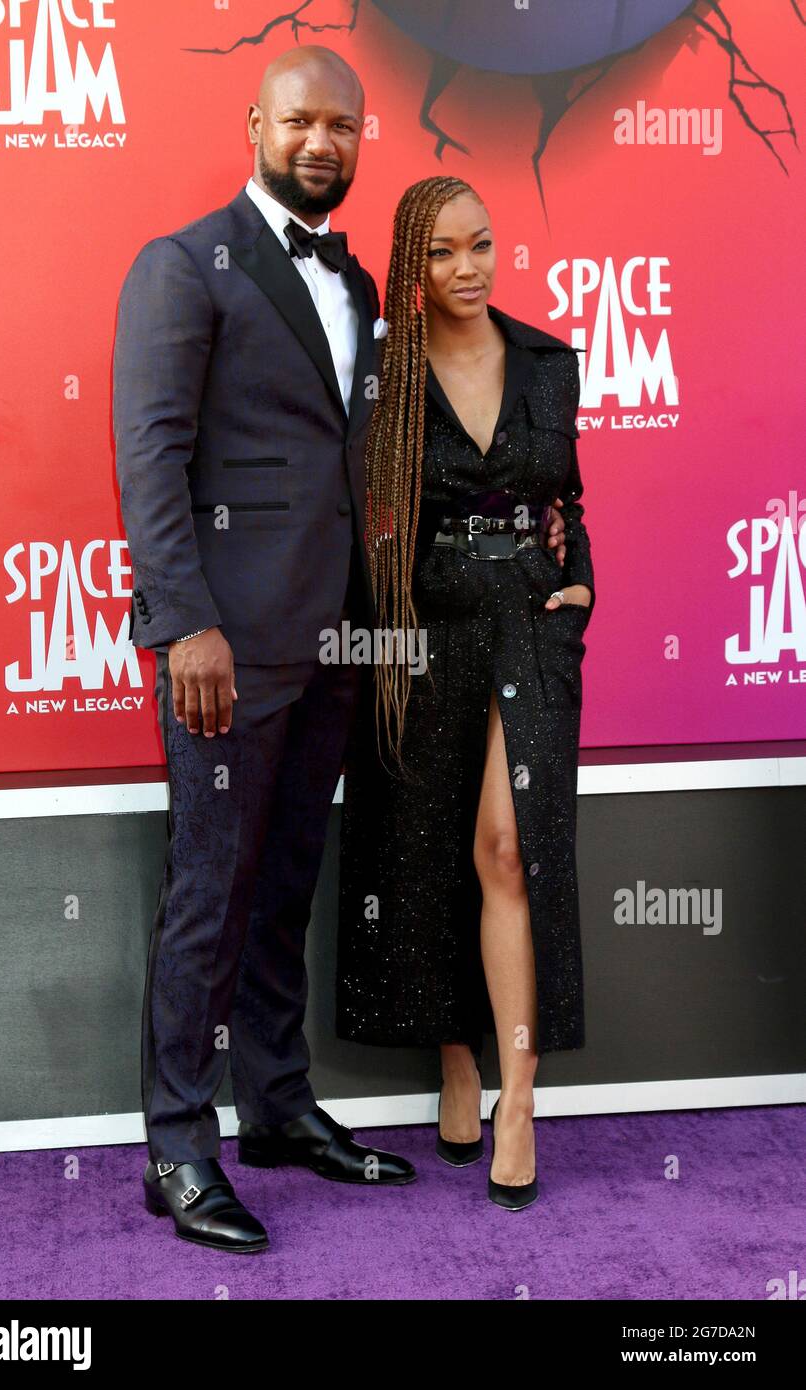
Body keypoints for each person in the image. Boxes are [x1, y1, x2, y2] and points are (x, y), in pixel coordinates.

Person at [111, 46, 427, 1253]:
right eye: (299, 120)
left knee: (288, 880)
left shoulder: (355, 277)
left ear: (360, 136)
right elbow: (150, 456)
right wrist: (183, 620)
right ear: (256, 122)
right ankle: (176, 1146)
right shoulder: (184, 266)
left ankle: (279, 1107)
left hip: (332, 642)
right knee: (209, 891)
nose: (319, 143)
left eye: (340, 125)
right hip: (224, 650)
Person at [337, 175, 595, 1210]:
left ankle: (519, 1095)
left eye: (480, 244)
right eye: (441, 251)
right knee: (434, 847)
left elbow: (564, 499)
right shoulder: (384, 376)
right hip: (421, 637)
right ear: (412, 264)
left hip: (528, 632)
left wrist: (581, 589)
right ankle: (455, 1062)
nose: (466, 267)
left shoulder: (545, 361)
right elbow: (360, 516)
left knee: (504, 846)